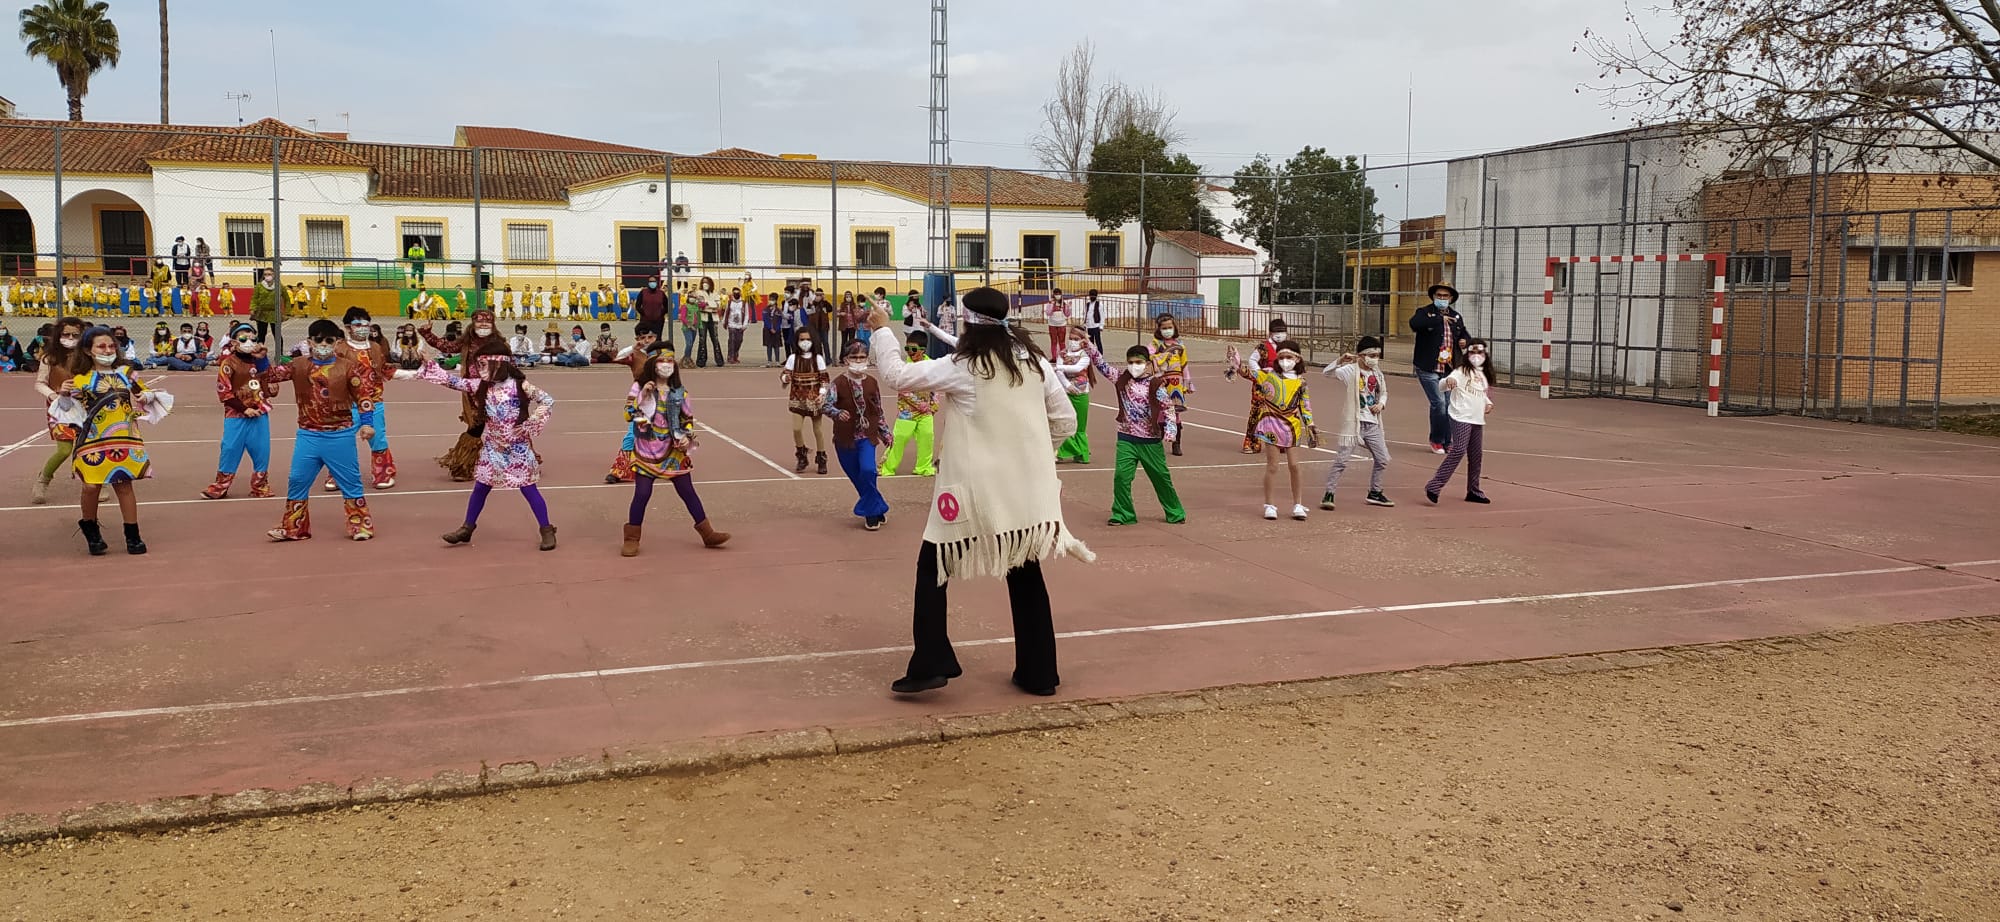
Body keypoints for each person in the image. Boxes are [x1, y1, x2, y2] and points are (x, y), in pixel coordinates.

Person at [868, 287, 1091, 697]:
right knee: (1025, 572)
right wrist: (1035, 457)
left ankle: (933, 661)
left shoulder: (964, 365)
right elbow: (1064, 422)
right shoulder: (1035, 361)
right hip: (1025, 493)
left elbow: (898, 377)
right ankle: (1039, 672)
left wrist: (883, 331)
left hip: (973, 491)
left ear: (968, 322)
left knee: (933, 566)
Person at [399, 340, 559, 551]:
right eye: (479, 365)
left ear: (499, 364)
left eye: (484, 365)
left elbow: (547, 400)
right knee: (481, 487)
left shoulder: (521, 385)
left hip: (517, 449)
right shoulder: (481, 386)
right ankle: (467, 528)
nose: (480, 370)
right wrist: (430, 364)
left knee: (529, 489)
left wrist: (530, 424)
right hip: (492, 447)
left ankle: (546, 530)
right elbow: (452, 381)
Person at [262, 319, 381, 541]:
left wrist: (367, 423)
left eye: (329, 340)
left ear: (336, 342)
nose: (323, 344)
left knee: (350, 482)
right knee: (297, 479)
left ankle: (360, 526)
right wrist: (259, 359)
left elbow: (363, 396)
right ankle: (294, 527)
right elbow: (270, 376)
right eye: (318, 340)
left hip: (340, 435)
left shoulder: (348, 367)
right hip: (308, 434)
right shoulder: (297, 365)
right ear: (309, 342)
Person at [58, 325, 170, 555]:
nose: (107, 350)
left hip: (124, 438)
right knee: (91, 487)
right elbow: (68, 410)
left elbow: (147, 394)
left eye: (111, 346)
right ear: (89, 350)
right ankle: (90, 529)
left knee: (124, 484)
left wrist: (147, 396)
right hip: (91, 439)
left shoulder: (127, 374)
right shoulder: (80, 380)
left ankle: (133, 535)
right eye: (101, 346)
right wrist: (63, 394)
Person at [620, 342, 731, 556]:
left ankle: (708, 533)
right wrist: (643, 394)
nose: (666, 365)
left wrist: (685, 436)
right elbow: (627, 414)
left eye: (670, 361)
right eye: (661, 361)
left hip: (673, 451)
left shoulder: (681, 392)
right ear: (652, 364)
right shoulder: (639, 387)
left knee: (687, 491)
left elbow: (687, 419)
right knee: (642, 493)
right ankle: (632, 537)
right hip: (646, 449)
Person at [1227, 337, 1319, 522]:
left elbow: (1305, 406)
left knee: (1294, 465)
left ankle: (1298, 504)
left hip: (1292, 427)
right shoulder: (1268, 375)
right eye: (1282, 357)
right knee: (1273, 466)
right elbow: (1247, 373)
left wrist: (1310, 425)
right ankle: (1269, 504)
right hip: (1270, 425)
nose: (1285, 361)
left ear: (1298, 359)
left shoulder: (1301, 382)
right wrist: (1235, 362)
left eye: (1289, 357)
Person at [420, 310, 504, 482]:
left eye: (487, 322)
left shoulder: (500, 344)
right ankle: (462, 465)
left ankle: (519, 463)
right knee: (476, 426)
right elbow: (446, 347)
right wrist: (427, 333)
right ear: (473, 324)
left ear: (493, 325)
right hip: (472, 391)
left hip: (496, 392)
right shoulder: (467, 342)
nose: (483, 325)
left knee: (505, 427)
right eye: (479, 322)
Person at [1108, 345, 1186, 527]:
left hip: (1150, 440)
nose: (1134, 366)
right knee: (1121, 477)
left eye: (1139, 362)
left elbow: (1168, 408)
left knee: (1161, 477)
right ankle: (1122, 514)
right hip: (1126, 438)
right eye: (1130, 362)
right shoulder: (1121, 379)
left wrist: (1171, 430)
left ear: (1148, 364)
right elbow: (1100, 363)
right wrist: (1087, 344)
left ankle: (1175, 511)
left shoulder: (1155, 384)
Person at [200, 323, 275, 500]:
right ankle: (220, 486)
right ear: (234, 342)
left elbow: (271, 382)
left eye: (252, 338)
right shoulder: (228, 363)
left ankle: (260, 485)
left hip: (259, 413)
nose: (248, 342)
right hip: (236, 415)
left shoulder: (259, 361)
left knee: (261, 450)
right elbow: (224, 392)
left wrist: (263, 359)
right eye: (243, 338)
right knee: (230, 449)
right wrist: (244, 408)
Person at [1320, 336, 1395, 511]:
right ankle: (1329, 492)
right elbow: (1327, 373)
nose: (1375, 359)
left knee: (1382, 458)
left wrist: (1381, 404)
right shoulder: (1350, 370)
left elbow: (1384, 392)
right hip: (1355, 423)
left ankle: (1375, 492)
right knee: (1342, 460)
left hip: (1372, 423)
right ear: (1361, 355)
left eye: (1377, 355)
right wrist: (1340, 360)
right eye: (1372, 355)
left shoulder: (1377, 373)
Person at [330, 306, 399, 492]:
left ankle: (383, 473)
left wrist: (416, 373)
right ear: (348, 327)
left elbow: (385, 369)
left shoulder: (376, 347)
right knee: (341, 439)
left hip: (374, 401)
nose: (363, 328)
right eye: (358, 324)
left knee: (378, 437)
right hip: (347, 403)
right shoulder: (340, 348)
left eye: (366, 324)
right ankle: (337, 475)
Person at [827, 342, 893, 530]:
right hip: (844, 439)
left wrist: (885, 432)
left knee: (868, 470)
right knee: (858, 478)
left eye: (862, 357)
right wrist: (837, 413)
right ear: (846, 359)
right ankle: (877, 510)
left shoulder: (872, 382)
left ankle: (870, 513)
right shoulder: (838, 383)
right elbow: (825, 405)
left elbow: (878, 410)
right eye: (854, 357)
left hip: (867, 436)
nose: (858, 361)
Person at [1425, 338, 1494, 506]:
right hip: (1461, 416)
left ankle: (1474, 490)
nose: (1476, 356)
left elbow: (1480, 392)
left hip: (1477, 418)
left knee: (1476, 455)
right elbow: (1443, 385)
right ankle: (1434, 486)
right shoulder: (1461, 371)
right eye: (1472, 352)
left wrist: (1488, 402)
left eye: (1480, 352)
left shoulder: (1481, 375)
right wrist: (1448, 381)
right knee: (1458, 450)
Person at [29, 317, 87, 505]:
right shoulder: (49, 358)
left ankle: (95, 483)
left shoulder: (88, 356)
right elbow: (40, 383)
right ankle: (43, 480)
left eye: (75, 335)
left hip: (86, 406)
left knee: (88, 447)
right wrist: (55, 396)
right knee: (64, 450)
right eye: (66, 334)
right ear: (58, 335)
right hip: (60, 408)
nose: (70, 338)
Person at [1410, 284, 1471, 455]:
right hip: (1428, 367)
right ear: (1433, 296)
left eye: (1446, 296)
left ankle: (1447, 441)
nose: (1442, 298)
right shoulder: (1425, 312)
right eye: (1439, 295)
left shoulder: (1456, 316)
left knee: (1450, 405)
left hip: (1449, 368)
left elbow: (1464, 334)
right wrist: (1438, 319)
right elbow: (1415, 324)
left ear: (1451, 298)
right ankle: (1436, 440)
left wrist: (1465, 341)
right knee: (1439, 403)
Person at [603, 323, 661, 483]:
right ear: (637, 339)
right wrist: (633, 347)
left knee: (662, 432)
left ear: (655, 337)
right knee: (633, 432)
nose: (647, 340)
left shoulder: (662, 353)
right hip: (642, 398)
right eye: (642, 338)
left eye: (650, 337)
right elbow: (616, 358)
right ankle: (619, 470)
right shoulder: (634, 354)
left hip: (661, 398)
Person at [878, 330, 940, 479]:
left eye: (913, 349)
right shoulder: (904, 366)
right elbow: (903, 389)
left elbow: (935, 384)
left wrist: (934, 403)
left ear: (922, 350)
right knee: (899, 438)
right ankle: (887, 467)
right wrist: (920, 404)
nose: (910, 352)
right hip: (907, 412)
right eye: (907, 349)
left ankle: (923, 467)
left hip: (926, 413)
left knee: (927, 436)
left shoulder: (931, 364)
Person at [1052, 333, 1111, 464]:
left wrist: (1058, 367)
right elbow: (1060, 373)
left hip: (1081, 393)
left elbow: (1077, 368)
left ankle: (1081, 454)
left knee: (1080, 425)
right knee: (1064, 422)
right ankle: (1062, 452)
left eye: (1076, 339)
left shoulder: (1085, 356)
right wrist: (1067, 384)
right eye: (1071, 338)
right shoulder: (1062, 354)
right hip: (1066, 392)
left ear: (1081, 341)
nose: (1073, 341)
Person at [1235, 317, 1290, 454]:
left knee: (1280, 414)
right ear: (1270, 333)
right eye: (1277, 331)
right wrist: (1260, 373)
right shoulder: (1263, 347)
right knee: (1257, 414)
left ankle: (1280, 442)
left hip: (1281, 386)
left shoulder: (1288, 347)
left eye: (1282, 331)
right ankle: (1252, 443)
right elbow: (1253, 360)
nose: (1280, 334)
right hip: (1262, 386)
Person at [781, 328, 829, 475]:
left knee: (818, 430)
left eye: (807, 339)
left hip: (814, 399)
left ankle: (821, 458)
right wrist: (785, 378)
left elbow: (824, 379)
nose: (805, 342)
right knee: (796, 429)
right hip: (797, 398)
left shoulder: (818, 359)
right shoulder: (792, 359)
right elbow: (784, 374)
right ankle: (801, 454)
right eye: (802, 340)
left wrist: (822, 393)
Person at [1150, 315, 1194, 457]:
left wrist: (1188, 383)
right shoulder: (1157, 344)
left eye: (1169, 327)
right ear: (1159, 329)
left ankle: (1176, 444)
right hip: (1162, 382)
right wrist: (1157, 358)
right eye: (1164, 328)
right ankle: (1158, 442)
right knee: (1161, 412)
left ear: (1174, 328)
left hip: (1177, 383)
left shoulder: (1180, 346)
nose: (1167, 330)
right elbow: (1148, 354)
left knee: (1175, 412)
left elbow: (1184, 365)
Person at [250, 269, 278, 343]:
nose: (267, 276)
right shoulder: (259, 286)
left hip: (274, 312)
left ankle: (279, 353)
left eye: (270, 274)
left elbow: (286, 298)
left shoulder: (279, 285)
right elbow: (254, 298)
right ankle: (260, 351)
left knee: (277, 333)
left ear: (274, 275)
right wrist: (252, 309)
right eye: (265, 274)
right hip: (261, 312)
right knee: (261, 334)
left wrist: (287, 311)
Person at [725, 287, 749, 365]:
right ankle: (731, 356)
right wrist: (724, 322)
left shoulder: (744, 303)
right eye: (734, 293)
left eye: (737, 292)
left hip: (740, 325)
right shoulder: (729, 302)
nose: (736, 294)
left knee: (739, 340)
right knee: (732, 340)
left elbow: (747, 314)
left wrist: (745, 324)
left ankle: (735, 355)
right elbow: (726, 312)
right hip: (731, 324)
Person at [1044, 287, 1070, 355]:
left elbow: (1067, 314)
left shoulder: (1064, 304)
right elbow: (1048, 313)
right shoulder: (1050, 303)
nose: (1057, 295)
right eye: (1056, 294)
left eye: (1059, 294)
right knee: (1053, 342)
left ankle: (1063, 356)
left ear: (1061, 295)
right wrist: (1051, 304)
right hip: (1052, 325)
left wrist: (1068, 307)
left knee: (1062, 342)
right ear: (1054, 295)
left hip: (1062, 325)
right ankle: (1054, 358)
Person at [1082, 288, 1105, 354]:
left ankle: (1100, 354)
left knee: (1098, 341)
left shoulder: (1099, 304)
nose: (1092, 297)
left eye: (1093, 295)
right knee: (1090, 342)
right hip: (1089, 326)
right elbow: (1086, 314)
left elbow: (1102, 315)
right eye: (1091, 295)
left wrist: (1101, 326)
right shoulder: (1088, 304)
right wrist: (1085, 324)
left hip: (1096, 326)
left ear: (1096, 296)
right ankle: (1092, 354)